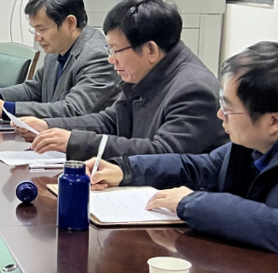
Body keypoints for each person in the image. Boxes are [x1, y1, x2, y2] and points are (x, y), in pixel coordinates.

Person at [89, 41, 278, 253]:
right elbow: (196, 166)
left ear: (273, 122)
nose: (219, 114)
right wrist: (125, 170)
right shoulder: (248, 147)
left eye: (228, 109)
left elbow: (272, 225)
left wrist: (190, 203)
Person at [19, 0, 227, 160]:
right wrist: (50, 126)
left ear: (151, 50)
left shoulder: (193, 90)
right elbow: (111, 121)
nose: (111, 59)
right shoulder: (145, 73)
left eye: (116, 50)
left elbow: (163, 154)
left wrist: (75, 142)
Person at [0, 0, 120, 118]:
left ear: (70, 23)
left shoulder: (98, 56)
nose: (37, 38)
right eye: (35, 30)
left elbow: (73, 109)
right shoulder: (58, 47)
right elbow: (33, 89)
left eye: (42, 29)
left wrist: (6, 109)